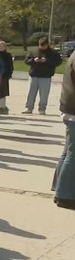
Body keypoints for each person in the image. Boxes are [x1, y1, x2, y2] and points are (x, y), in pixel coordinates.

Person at [53, 51, 75, 210]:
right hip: (73, 110)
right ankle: (65, 195)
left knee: (68, 152)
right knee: (72, 154)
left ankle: (59, 187)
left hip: (69, 108)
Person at [23, 37, 63, 115]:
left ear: (47, 45)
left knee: (44, 94)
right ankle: (29, 108)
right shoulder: (34, 51)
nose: (41, 47)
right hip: (34, 75)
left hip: (46, 76)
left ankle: (42, 109)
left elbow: (58, 62)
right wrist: (33, 60)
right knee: (31, 92)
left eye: (43, 45)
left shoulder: (53, 53)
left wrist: (47, 61)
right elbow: (26, 60)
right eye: (40, 45)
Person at [0, 41, 14, 114]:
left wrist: (9, 74)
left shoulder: (8, 55)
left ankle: (2, 107)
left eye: (2, 46)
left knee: (3, 92)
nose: (1, 47)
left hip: (5, 76)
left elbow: (10, 66)